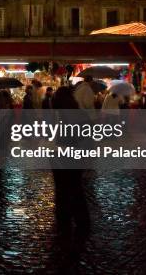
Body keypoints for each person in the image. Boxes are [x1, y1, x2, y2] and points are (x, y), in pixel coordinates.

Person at [51, 86, 91, 233]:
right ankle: (79, 219)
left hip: (62, 154)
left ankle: (66, 218)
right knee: (74, 187)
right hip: (71, 155)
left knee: (64, 188)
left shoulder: (59, 113)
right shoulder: (78, 114)